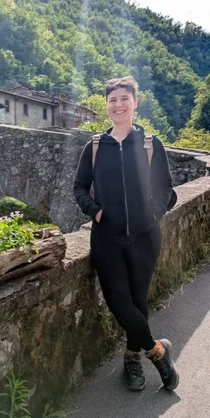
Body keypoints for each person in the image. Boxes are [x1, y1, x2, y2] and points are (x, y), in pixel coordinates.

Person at [73, 76, 179, 392]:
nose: (118, 105)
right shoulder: (95, 146)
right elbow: (80, 187)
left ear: (135, 102)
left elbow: (165, 188)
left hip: (145, 237)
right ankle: (157, 352)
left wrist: (153, 215)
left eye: (124, 99)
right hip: (107, 238)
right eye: (112, 100)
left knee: (137, 299)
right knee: (118, 300)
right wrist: (95, 211)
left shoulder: (150, 144)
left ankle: (132, 357)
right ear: (107, 105)